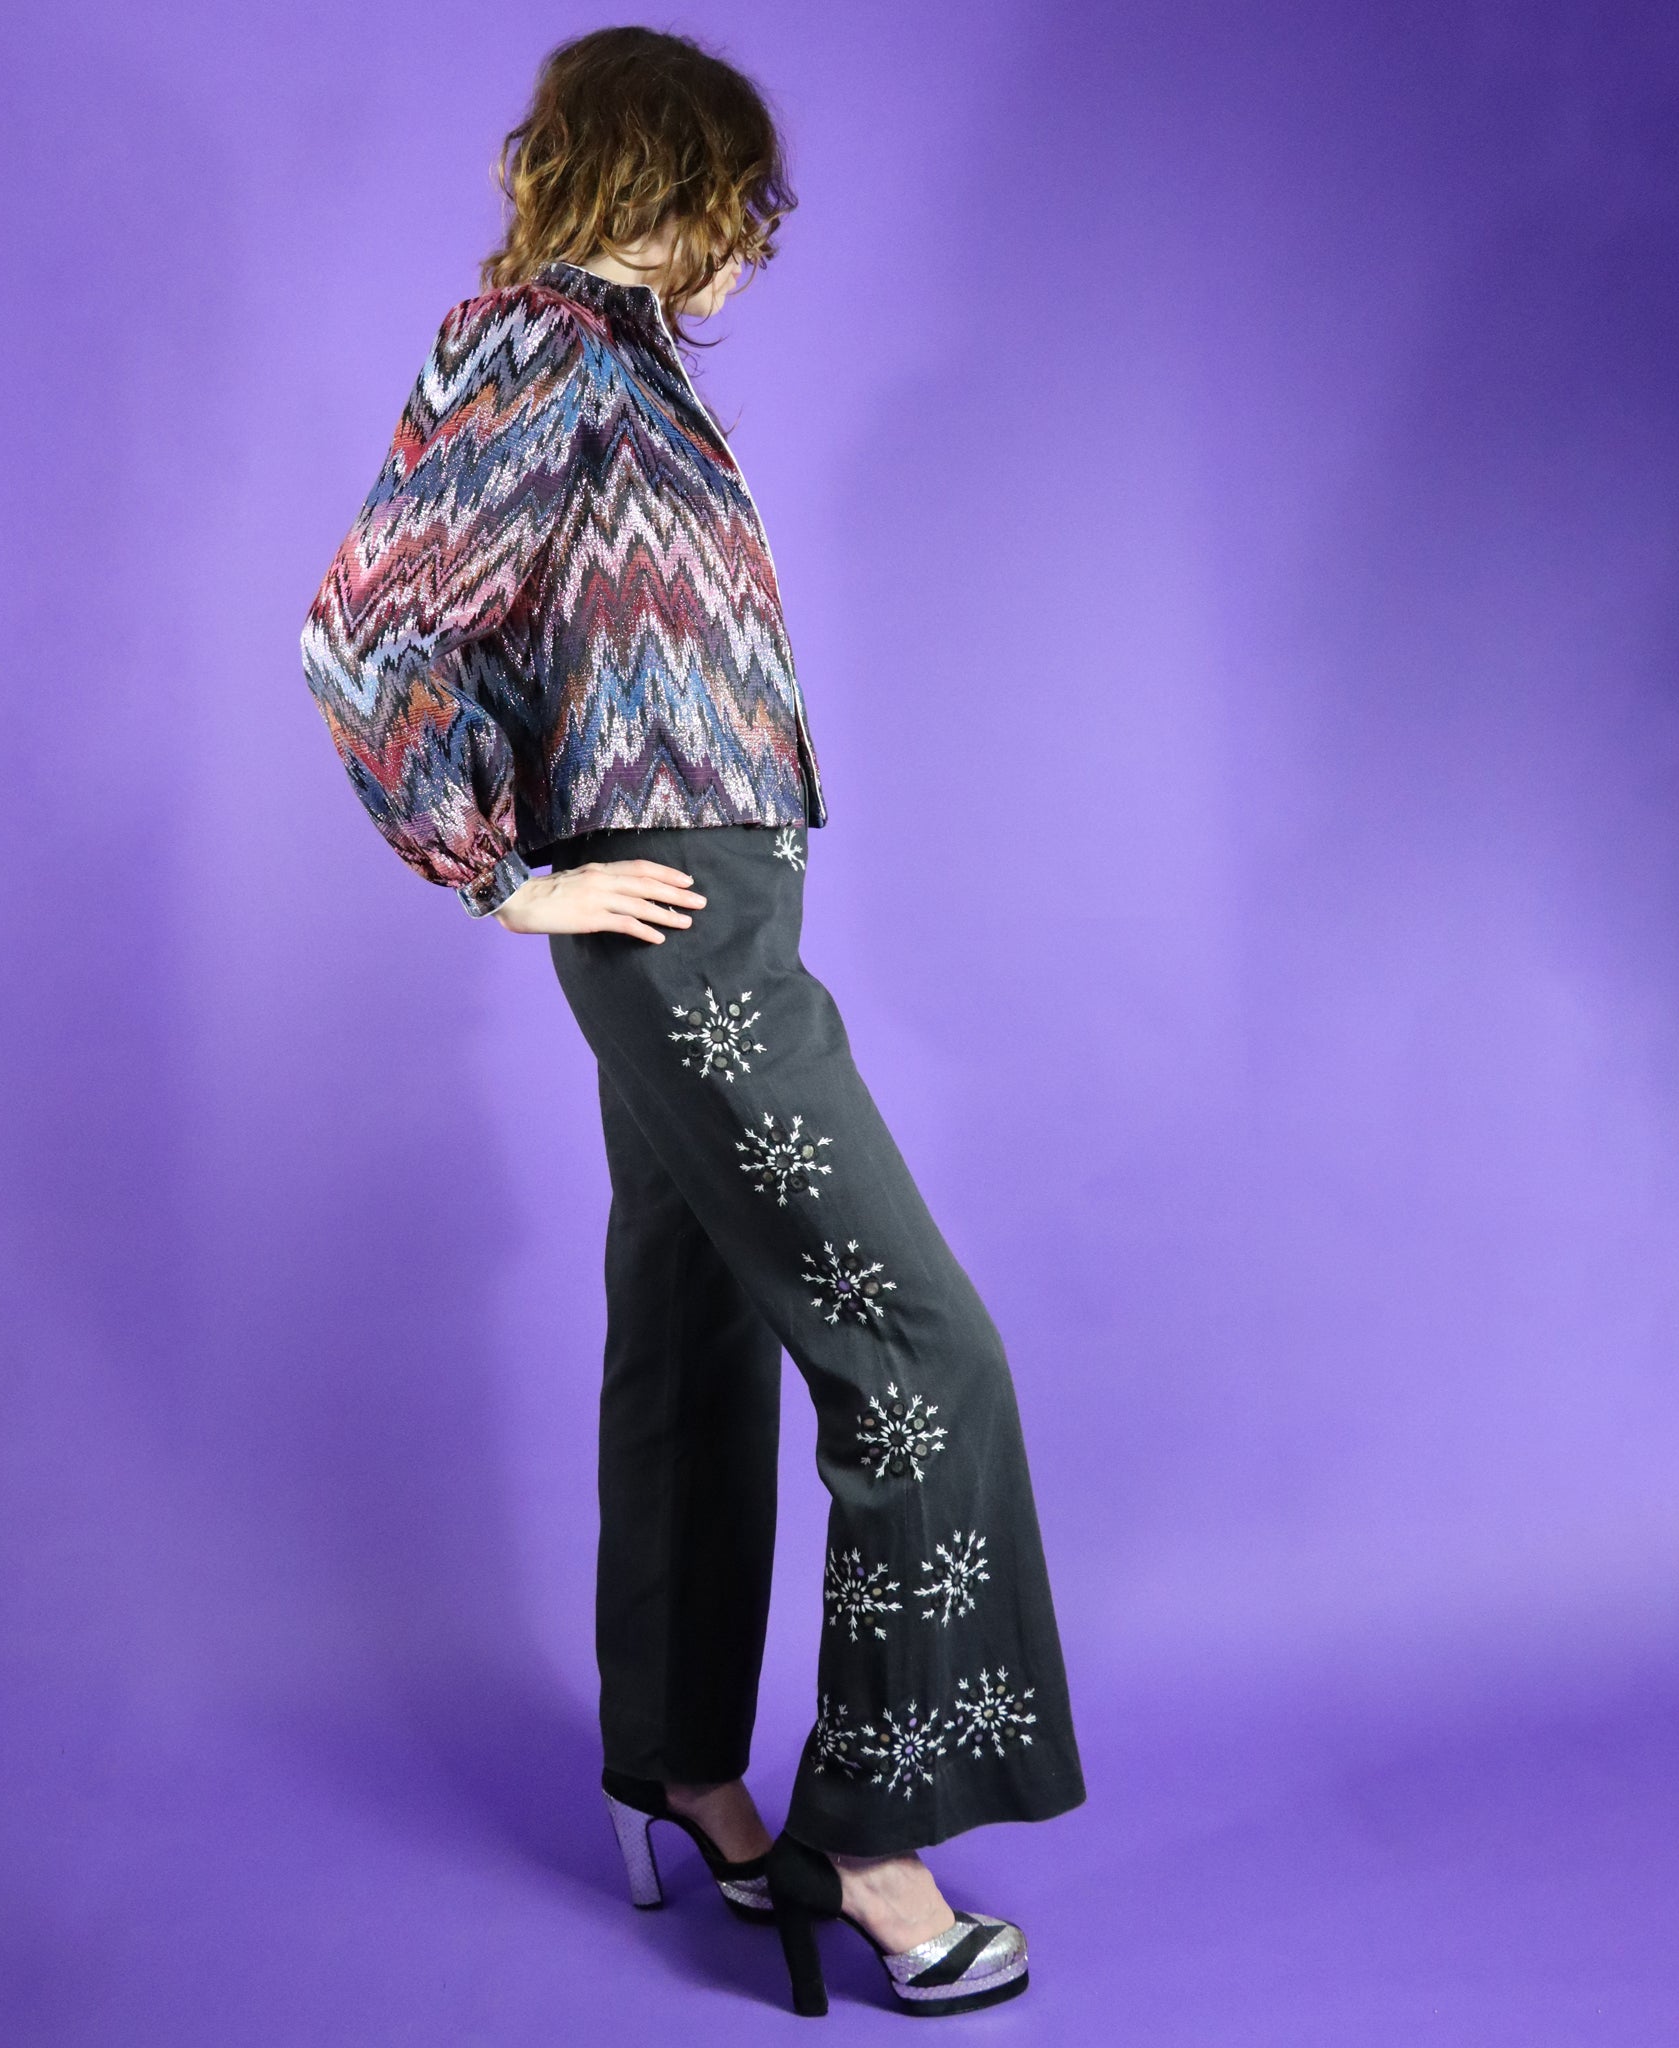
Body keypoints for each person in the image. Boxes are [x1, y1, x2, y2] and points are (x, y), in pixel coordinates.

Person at [298, 24, 1085, 2019]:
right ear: (683, 178)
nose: (758, 240)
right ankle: (872, 1844)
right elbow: (367, 626)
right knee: (925, 1356)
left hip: (713, 907)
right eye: (745, 200)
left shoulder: (617, 359)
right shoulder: (537, 346)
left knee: (695, 1332)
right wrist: (502, 873)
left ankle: (681, 1766)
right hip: (681, 931)